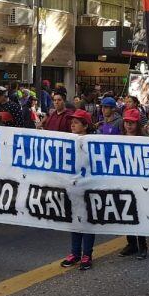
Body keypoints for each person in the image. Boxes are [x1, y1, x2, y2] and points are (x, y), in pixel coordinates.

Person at [60, 109, 96, 271]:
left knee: (87, 221)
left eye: (76, 122)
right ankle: (75, 252)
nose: (72, 125)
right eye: (71, 122)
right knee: (75, 220)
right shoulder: (69, 141)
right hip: (73, 186)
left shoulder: (93, 142)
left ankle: (87, 254)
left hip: (88, 187)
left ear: (85, 125)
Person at [117, 109, 149, 260]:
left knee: (140, 213)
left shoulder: (144, 140)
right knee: (126, 212)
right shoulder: (120, 139)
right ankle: (131, 243)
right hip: (124, 181)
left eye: (132, 123)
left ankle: (142, 245)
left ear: (137, 124)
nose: (129, 125)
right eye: (126, 122)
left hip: (139, 182)